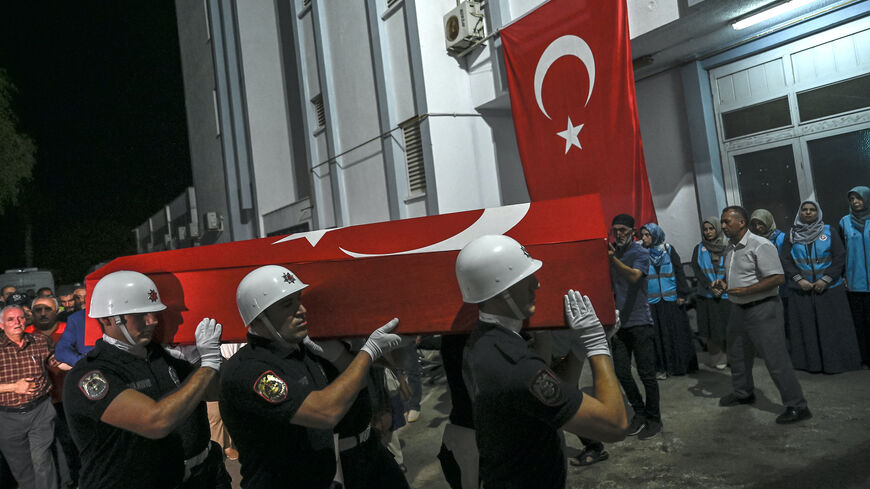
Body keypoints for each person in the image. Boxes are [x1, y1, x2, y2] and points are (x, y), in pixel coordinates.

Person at [456, 234, 627, 489]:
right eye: (526, 280)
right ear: (503, 293)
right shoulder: (513, 364)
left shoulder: (486, 341)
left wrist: (577, 351)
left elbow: (551, 398)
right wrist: (596, 346)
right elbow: (614, 424)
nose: (536, 284)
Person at [220, 265, 408, 489]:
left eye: (299, 300)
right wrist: (368, 352)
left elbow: (385, 365)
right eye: (287, 304)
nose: (301, 310)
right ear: (259, 317)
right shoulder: (249, 370)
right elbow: (325, 412)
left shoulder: (302, 349)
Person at [63, 271, 230, 489]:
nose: (152, 321)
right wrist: (208, 365)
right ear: (107, 319)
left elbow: (213, 392)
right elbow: (155, 422)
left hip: (199, 476)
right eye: (140, 314)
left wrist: (200, 360)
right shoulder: (92, 374)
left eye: (153, 312)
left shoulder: (162, 355)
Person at [714, 206, 811, 424]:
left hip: (763, 308)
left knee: (775, 359)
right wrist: (723, 284)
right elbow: (739, 277)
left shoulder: (760, 245)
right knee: (737, 355)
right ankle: (743, 393)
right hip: (738, 309)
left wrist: (746, 291)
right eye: (722, 222)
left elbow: (777, 278)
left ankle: (797, 405)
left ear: (741, 222)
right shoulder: (730, 248)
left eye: (727, 222)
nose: (723, 226)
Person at [781, 201, 861, 373]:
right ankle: (812, 365)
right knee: (807, 329)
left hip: (829, 289)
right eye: (805, 210)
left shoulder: (829, 231)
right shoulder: (792, 234)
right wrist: (799, 280)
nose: (808, 213)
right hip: (802, 290)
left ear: (818, 213)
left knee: (831, 329)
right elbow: (786, 260)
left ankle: (835, 364)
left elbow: (840, 256)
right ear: (799, 212)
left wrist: (826, 279)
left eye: (812, 210)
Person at [607, 214, 662, 441]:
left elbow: (634, 277)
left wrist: (613, 260)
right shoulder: (614, 253)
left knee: (647, 374)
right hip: (619, 325)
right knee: (621, 371)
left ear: (633, 230)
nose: (618, 234)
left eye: (622, 230)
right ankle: (639, 412)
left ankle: (654, 419)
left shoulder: (640, 253)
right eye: (615, 230)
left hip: (640, 322)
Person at [0, 305, 60, 489]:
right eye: (11, 319)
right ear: (1, 325)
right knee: (22, 468)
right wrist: (14, 387)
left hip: (40, 410)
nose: (17, 322)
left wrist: (77, 363)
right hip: (8, 417)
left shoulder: (40, 340)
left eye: (21, 318)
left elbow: (55, 362)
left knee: (42, 459)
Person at [27, 297, 79, 489]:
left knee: (72, 443)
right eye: (38, 309)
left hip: (68, 398)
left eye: (47, 309)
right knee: (43, 450)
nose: (42, 313)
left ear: (57, 311)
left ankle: (78, 480)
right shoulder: (25, 334)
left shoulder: (70, 330)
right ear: (31, 313)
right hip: (38, 401)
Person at [640, 223, 698, 378]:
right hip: (652, 302)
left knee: (676, 333)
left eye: (647, 235)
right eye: (642, 235)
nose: (644, 238)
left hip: (671, 300)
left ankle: (680, 366)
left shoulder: (668, 250)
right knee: (657, 336)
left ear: (656, 235)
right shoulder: (641, 254)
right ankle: (662, 368)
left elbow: (679, 272)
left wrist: (682, 295)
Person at [691, 217, 730, 370]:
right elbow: (697, 269)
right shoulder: (699, 248)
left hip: (727, 295)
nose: (708, 232)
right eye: (705, 229)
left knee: (730, 329)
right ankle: (718, 360)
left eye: (711, 228)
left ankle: (733, 359)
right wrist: (709, 286)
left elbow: (734, 266)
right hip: (707, 295)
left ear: (718, 229)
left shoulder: (729, 246)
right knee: (713, 330)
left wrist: (722, 285)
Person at [837, 186, 870, 368]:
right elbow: (841, 252)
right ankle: (864, 358)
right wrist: (843, 275)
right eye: (852, 199)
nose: (856, 202)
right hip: (854, 282)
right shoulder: (844, 222)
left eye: (859, 198)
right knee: (859, 323)